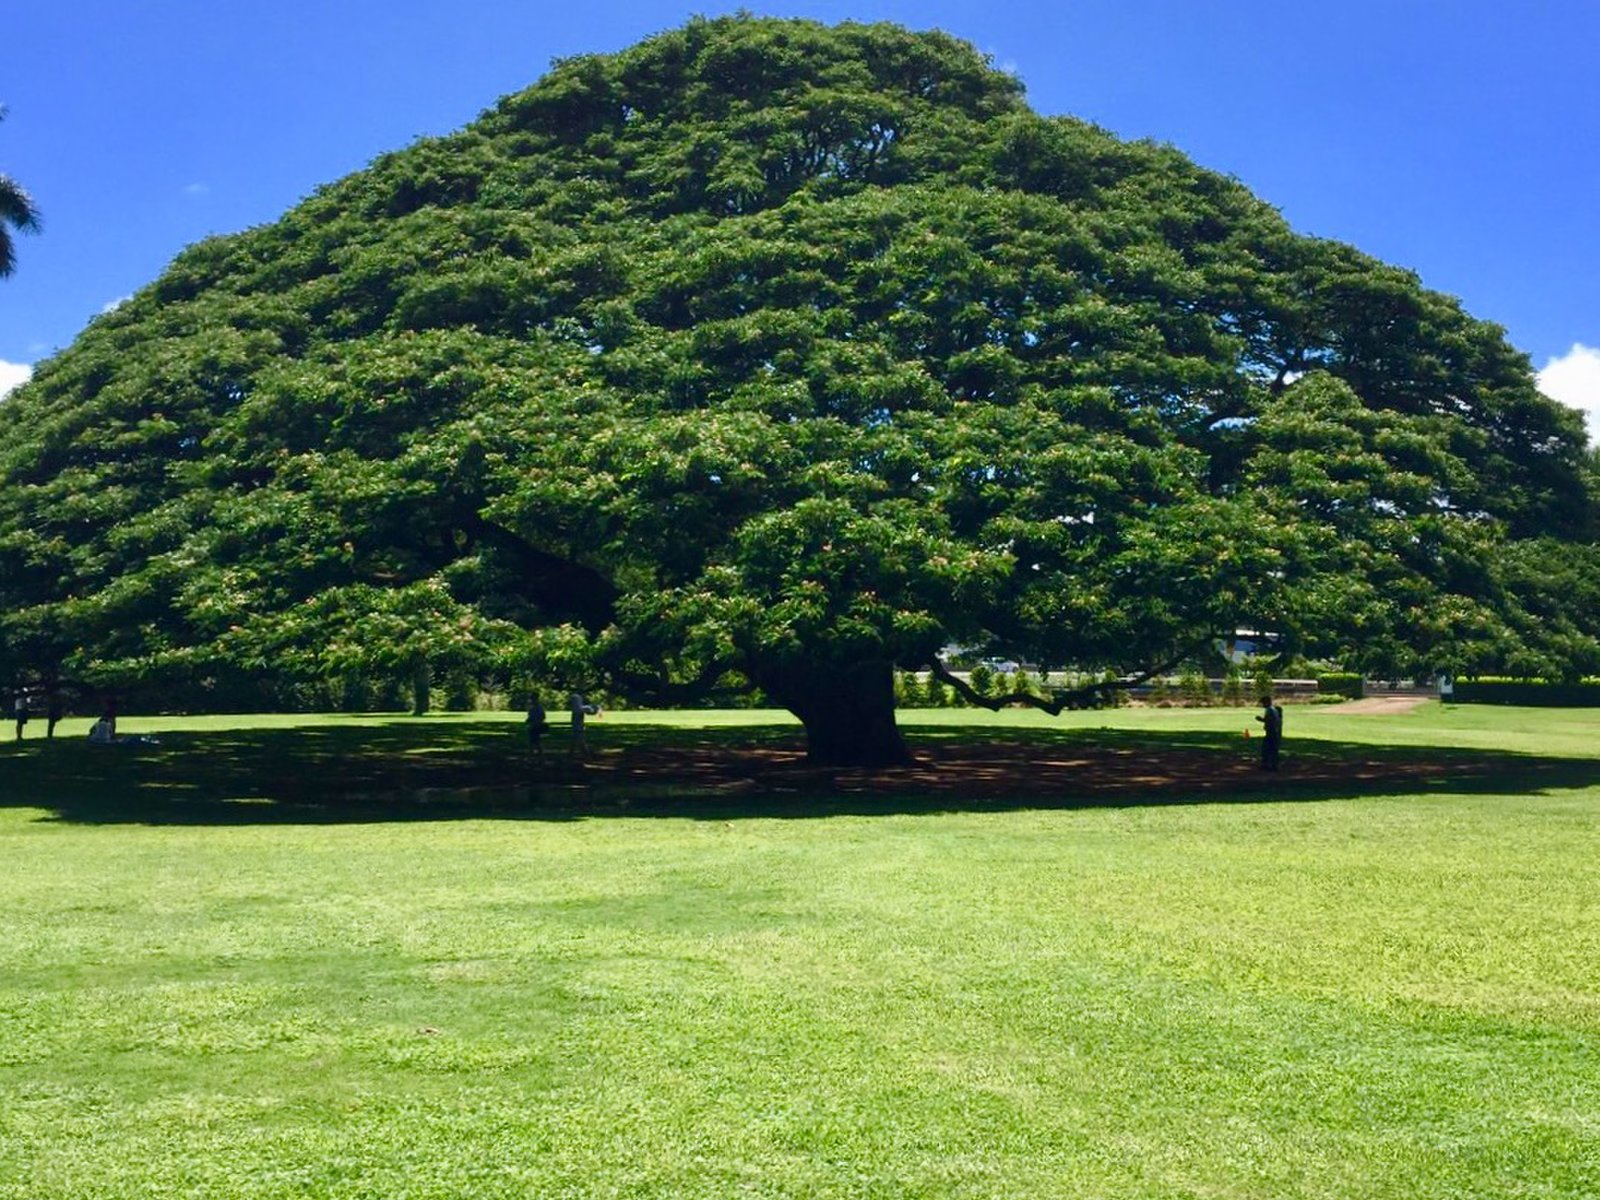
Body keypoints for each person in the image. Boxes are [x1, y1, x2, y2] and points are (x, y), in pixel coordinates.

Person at [1255, 694, 1283, 771]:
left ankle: (1269, 765)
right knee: (1271, 749)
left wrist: (1260, 719)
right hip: (1273, 732)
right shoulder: (1273, 709)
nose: (1262, 705)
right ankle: (1273, 765)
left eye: (1263, 703)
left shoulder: (1270, 710)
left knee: (1267, 749)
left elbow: (1269, 720)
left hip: (1272, 732)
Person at [569, 690, 599, 759]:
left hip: (578, 726)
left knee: (578, 742)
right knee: (578, 742)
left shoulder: (578, 708)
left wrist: (592, 708)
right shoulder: (578, 708)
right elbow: (588, 710)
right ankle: (585, 755)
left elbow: (588, 710)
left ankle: (585, 755)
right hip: (577, 726)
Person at [525, 692, 548, 762]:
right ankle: (538, 757)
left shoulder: (536, 707)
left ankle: (533, 757)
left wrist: (534, 721)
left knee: (534, 743)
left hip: (535, 726)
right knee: (535, 743)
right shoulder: (536, 706)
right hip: (535, 726)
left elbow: (541, 716)